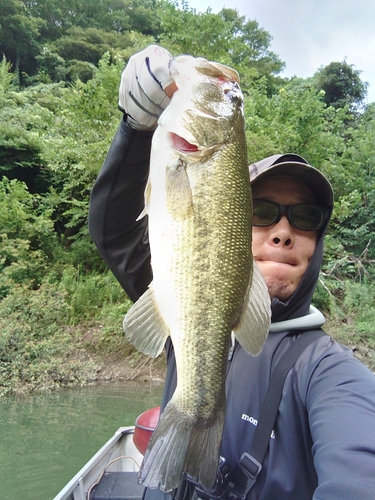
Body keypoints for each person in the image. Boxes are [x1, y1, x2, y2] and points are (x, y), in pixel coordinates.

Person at [88, 45, 375, 500]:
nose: (283, 231)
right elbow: (113, 231)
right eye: (262, 211)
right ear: (235, 220)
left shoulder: (329, 372)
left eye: (305, 217)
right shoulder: (187, 298)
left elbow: (360, 466)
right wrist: (134, 130)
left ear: (319, 242)